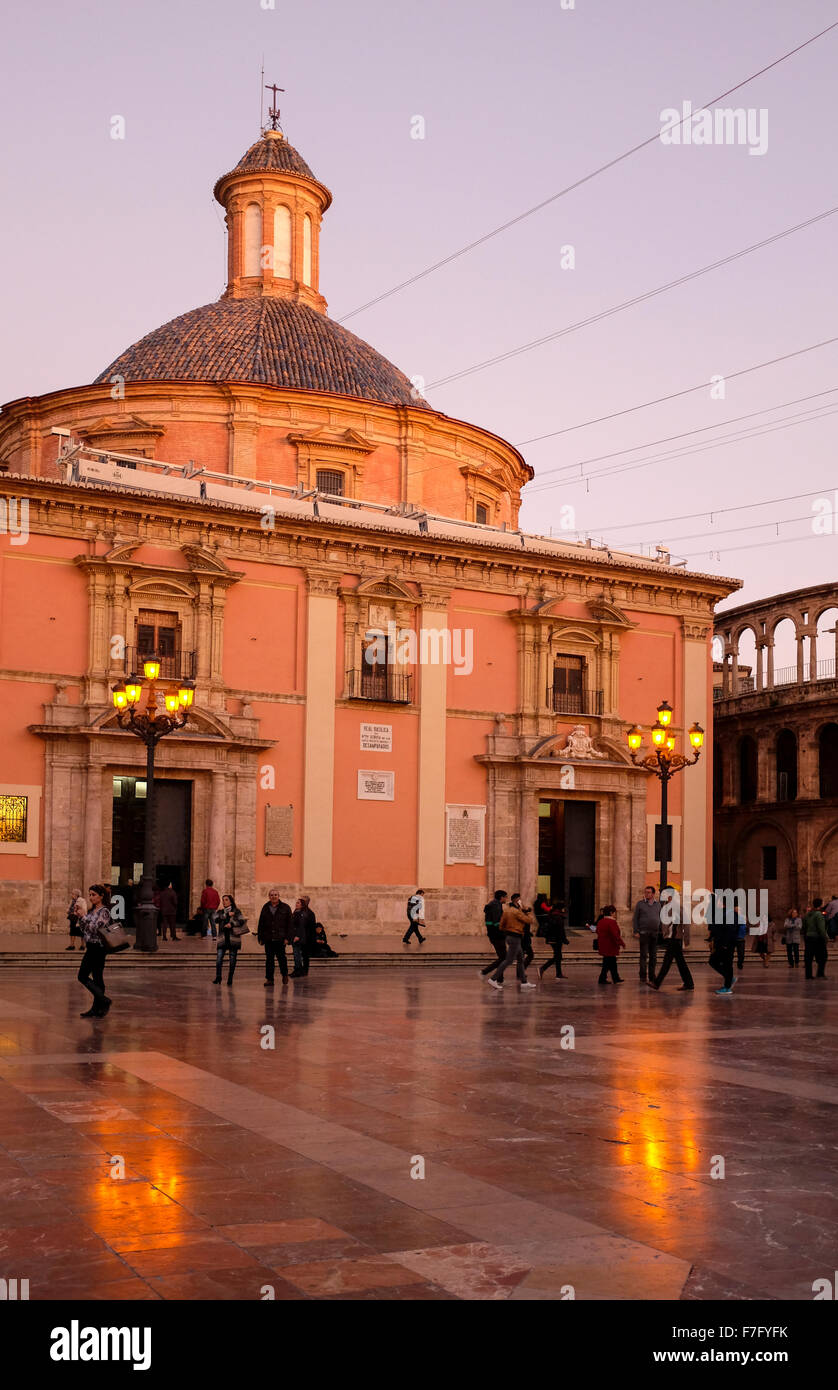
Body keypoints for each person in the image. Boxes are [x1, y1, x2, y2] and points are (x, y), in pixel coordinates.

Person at [76, 885, 114, 1018]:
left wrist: (84, 917)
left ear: (101, 896)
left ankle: (104, 1002)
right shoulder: (92, 911)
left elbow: (95, 928)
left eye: (94, 895)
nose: (91, 897)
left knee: (83, 976)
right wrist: (80, 917)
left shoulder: (104, 912)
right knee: (96, 978)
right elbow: (85, 929)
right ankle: (97, 1008)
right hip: (91, 946)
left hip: (99, 947)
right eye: (90, 894)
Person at [649, 887, 694, 991]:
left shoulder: (677, 907)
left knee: (667, 961)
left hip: (675, 938)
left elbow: (686, 923)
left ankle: (657, 983)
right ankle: (689, 983)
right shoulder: (666, 905)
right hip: (671, 938)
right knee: (679, 962)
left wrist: (686, 941)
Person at [488, 898, 535, 990]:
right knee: (508, 960)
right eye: (520, 903)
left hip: (510, 937)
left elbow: (501, 926)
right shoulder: (516, 912)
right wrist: (526, 911)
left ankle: (524, 982)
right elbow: (529, 920)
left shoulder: (507, 911)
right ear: (516, 904)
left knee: (521, 959)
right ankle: (493, 979)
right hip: (515, 938)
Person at [257, 888, 291, 985]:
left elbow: (290, 924)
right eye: (271, 895)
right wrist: (260, 937)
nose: (273, 896)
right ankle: (270, 979)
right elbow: (261, 923)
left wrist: (288, 938)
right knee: (269, 960)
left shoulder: (285, 907)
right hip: (268, 938)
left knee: (282, 959)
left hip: (280, 938)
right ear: (269, 896)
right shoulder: (265, 907)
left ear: (278, 896)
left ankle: (284, 975)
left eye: (275, 895)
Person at [213, 894, 247, 986]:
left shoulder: (237, 911)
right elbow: (215, 919)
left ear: (231, 901)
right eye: (223, 900)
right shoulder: (220, 912)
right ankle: (218, 977)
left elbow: (242, 921)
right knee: (219, 959)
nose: (224, 901)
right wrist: (226, 914)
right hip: (222, 939)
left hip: (233, 939)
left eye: (226, 900)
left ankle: (230, 978)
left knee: (232, 960)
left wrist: (231, 924)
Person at [632, 885, 661, 985]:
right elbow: (635, 918)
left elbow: (660, 917)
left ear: (653, 894)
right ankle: (643, 976)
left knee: (653, 956)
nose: (646, 894)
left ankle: (652, 976)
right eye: (645, 892)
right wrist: (636, 931)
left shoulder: (658, 905)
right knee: (643, 955)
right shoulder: (640, 904)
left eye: (648, 892)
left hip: (655, 933)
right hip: (643, 933)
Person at [707, 901, 738, 994]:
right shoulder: (721, 913)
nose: (718, 903)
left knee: (726, 964)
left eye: (719, 902)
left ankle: (727, 987)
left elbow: (731, 930)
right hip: (720, 944)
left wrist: (725, 944)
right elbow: (716, 927)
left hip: (726, 945)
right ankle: (729, 979)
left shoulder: (731, 914)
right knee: (713, 961)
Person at [479, 890, 508, 976]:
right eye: (505, 897)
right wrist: (505, 929)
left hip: (494, 934)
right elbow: (496, 922)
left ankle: (499, 978)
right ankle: (484, 972)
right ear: (501, 897)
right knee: (504, 957)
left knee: (502, 957)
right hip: (497, 935)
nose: (506, 898)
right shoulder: (496, 906)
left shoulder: (495, 904)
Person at [539, 900, 568, 980]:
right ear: (560, 908)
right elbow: (560, 930)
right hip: (556, 939)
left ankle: (558, 974)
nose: (564, 909)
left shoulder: (553, 914)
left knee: (558, 956)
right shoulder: (558, 917)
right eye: (563, 908)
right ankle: (543, 968)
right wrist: (564, 939)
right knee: (557, 956)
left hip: (552, 938)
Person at [595, 905, 625, 984]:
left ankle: (615, 977)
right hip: (610, 945)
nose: (615, 914)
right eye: (614, 912)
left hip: (603, 944)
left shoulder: (601, 921)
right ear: (611, 913)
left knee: (611, 962)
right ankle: (603, 978)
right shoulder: (611, 922)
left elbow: (597, 931)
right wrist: (621, 943)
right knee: (608, 962)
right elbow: (615, 934)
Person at [802, 897, 828, 980]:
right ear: (821, 904)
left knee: (809, 957)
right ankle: (820, 974)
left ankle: (808, 975)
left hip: (808, 937)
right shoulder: (818, 914)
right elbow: (821, 928)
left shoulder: (808, 914)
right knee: (823, 956)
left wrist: (806, 935)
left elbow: (804, 927)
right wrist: (825, 937)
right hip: (817, 938)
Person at [291, 896, 317, 976]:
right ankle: (299, 970)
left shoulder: (309, 913)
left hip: (306, 937)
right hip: (300, 936)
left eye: (302, 901)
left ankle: (304, 971)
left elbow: (310, 927)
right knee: (298, 954)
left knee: (305, 955)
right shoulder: (297, 911)